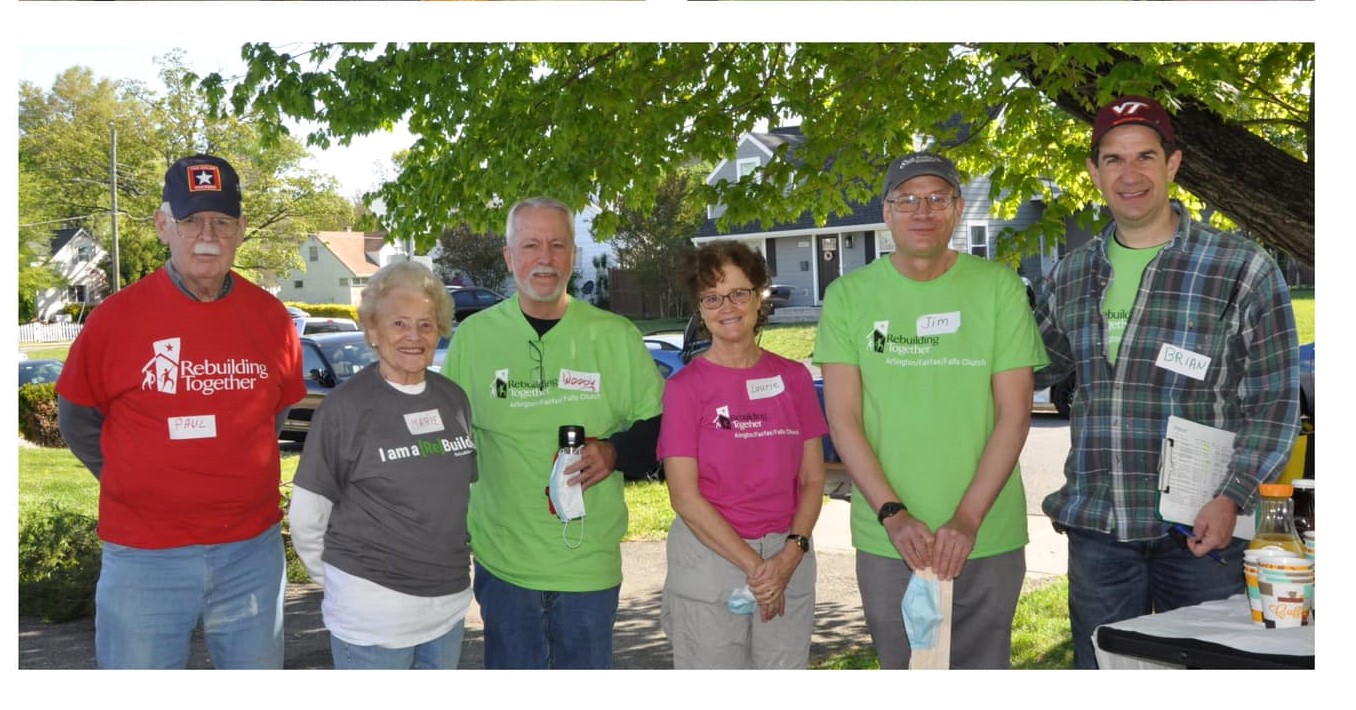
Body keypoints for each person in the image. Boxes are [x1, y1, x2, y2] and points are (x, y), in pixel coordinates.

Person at [1033, 95, 1301, 668]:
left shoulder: (1242, 267)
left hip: (1204, 531)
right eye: (1113, 160)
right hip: (1101, 528)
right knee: (1106, 673)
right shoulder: (1073, 275)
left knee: (1210, 677)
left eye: (1145, 157)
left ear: (1173, 164)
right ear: (1094, 172)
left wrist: (1235, 496)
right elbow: (1033, 366)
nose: (1130, 175)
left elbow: (1275, 402)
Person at [55, 153, 305, 669]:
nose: (207, 234)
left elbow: (273, 415)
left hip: (250, 554)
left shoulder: (272, 319)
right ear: (164, 226)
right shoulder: (115, 319)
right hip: (144, 555)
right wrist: (131, 475)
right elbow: (76, 417)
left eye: (222, 220)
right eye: (191, 221)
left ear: (241, 230)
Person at [814, 152, 1048, 669]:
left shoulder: (999, 289)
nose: (923, 211)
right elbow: (843, 419)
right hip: (889, 538)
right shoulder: (848, 297)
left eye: (938, 198)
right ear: (888, 211)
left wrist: (966, 519)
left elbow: (1014, 415)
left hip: (987, 534)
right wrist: (893, 515)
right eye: (908, 200)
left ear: (958, 209)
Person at [439, 197, 665, 669]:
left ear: (574, 256)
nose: (545, 258)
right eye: (531, 245)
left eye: (558, 245)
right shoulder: (474, 339)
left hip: (587, 567)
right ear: (508, 256)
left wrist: (614, 451)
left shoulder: (616, 335)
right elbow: (447, 449)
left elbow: (663, 429)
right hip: (505, 568)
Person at [288, 260, 477, 670]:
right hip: (372, 620)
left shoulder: (453, 399)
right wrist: (345, 584)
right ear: (372, 330)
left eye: (426, 324)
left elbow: (458, 499)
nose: (414, 336)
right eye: (399, 324)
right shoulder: (345, 408)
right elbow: (306, 517)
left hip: (446, 610)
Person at [656, 242, 828, 669]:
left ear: (760, 296)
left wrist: (789, 556)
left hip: (789, 555)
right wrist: (758, 568)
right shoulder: (684, 389)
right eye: (712, 297)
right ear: (700, 307)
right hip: (712, 560)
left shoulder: (794, 379)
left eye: (739, 293)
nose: (726, 306)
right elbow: (684, 496)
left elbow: (812, 480)